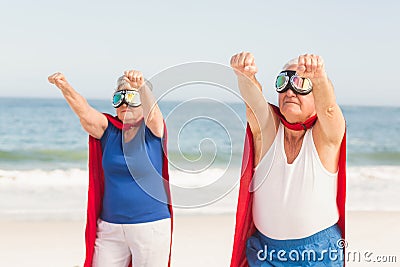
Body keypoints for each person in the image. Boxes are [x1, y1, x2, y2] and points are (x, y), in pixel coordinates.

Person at [230, 52, 346, 266]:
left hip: (317, 254)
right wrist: (244, 76)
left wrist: (319, 78)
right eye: (284, 82)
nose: (290, 91)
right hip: (266, 252)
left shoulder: (325, 136)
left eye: (301, 83)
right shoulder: (269, 131)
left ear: (316, 96)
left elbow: (329, 109)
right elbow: (254, 105)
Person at [48, 70, 173, 267]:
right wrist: (65, 86)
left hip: (150, 227)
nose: (124, 104)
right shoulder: (108, 130)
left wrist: (142, 87)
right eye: (118, 98)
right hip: (109, 228)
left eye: (131, 97)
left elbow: (154, 115)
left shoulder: (153, 130)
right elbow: (85, 113)